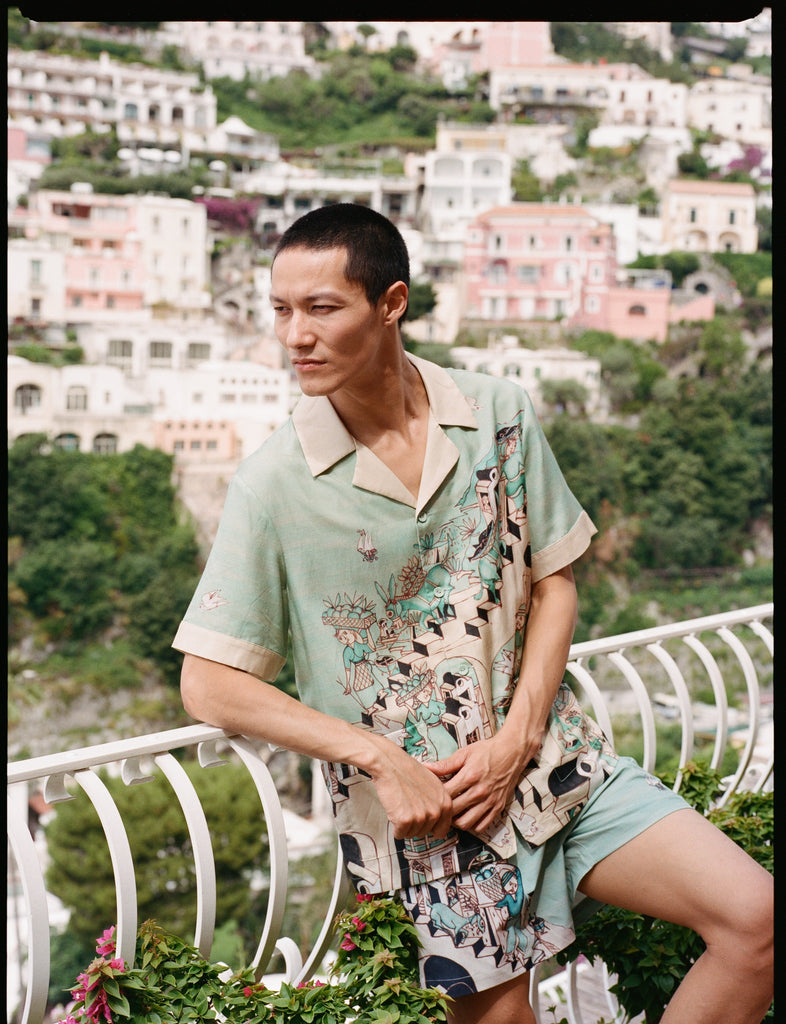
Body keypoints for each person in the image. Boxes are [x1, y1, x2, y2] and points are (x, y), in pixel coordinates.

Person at [173, 203, 773, 1024]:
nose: (294, 336)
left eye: (321, 308)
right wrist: (380, 759)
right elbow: (208, 685)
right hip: (436, 820)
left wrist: (522, 734)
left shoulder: (499, 410)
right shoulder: (273, 484)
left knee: (758, 921)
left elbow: (554, 578)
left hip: (560, 760)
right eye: (281, 310)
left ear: (391, 304)